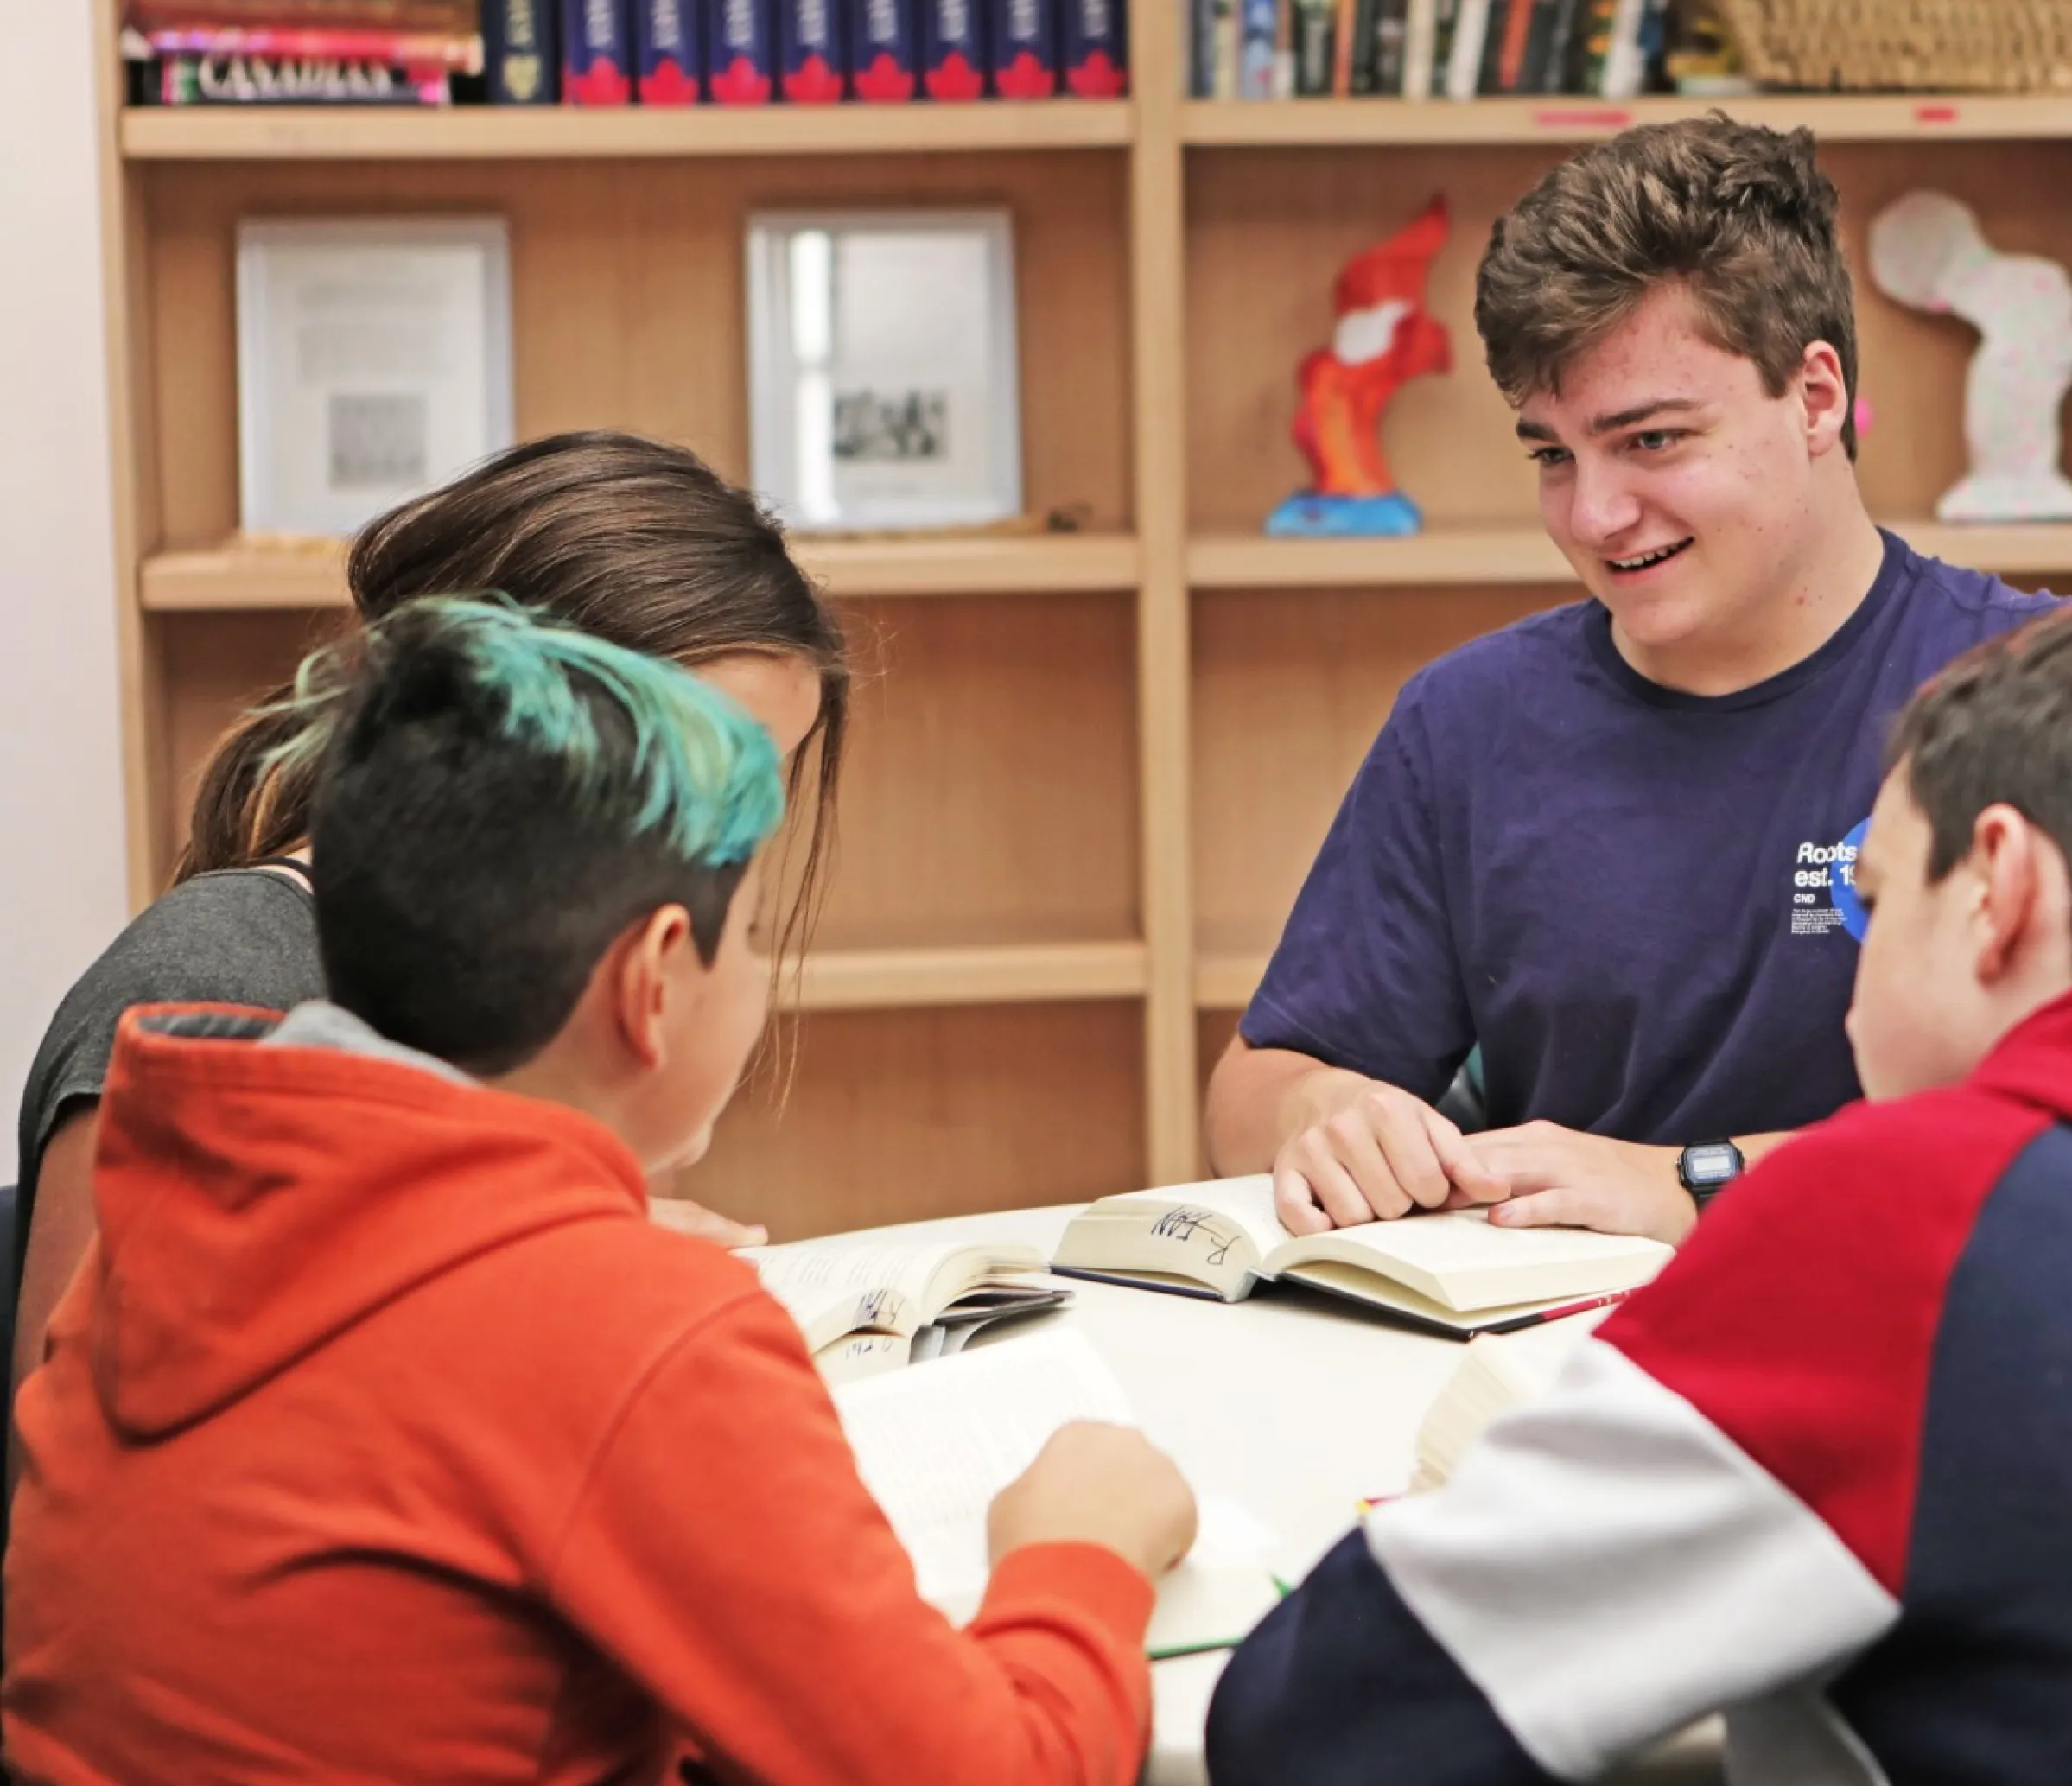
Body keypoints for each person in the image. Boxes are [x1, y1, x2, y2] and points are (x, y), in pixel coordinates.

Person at [1206, 597, 2072, 1785]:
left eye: (1871, 899)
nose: (1847, 985)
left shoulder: (1919, 1213)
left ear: (1999, 884)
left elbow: (1321, 1722)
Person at [3, 597, 1192, 1784]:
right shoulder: (627, 1329)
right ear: (653, 979)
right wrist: (1078, 1547)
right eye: (759, 931)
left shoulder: (170, 1213)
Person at [1202, 116, 2057, 1244]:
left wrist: (1695, 1184)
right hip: (1549, 1370)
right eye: (1552, 455)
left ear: (1814, 398)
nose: (1591, 518)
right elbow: (1250, 1093)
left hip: (1936, 1356)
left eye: (1650, 440)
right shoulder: (1468, 721)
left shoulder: (2053, 703)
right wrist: (1323, 1111)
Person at [11, 429, 852, 1401]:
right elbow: (78, 1506)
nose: (727, 855)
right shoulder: (197, 1002)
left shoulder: (557, 993)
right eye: (708, 785)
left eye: (760, 798)